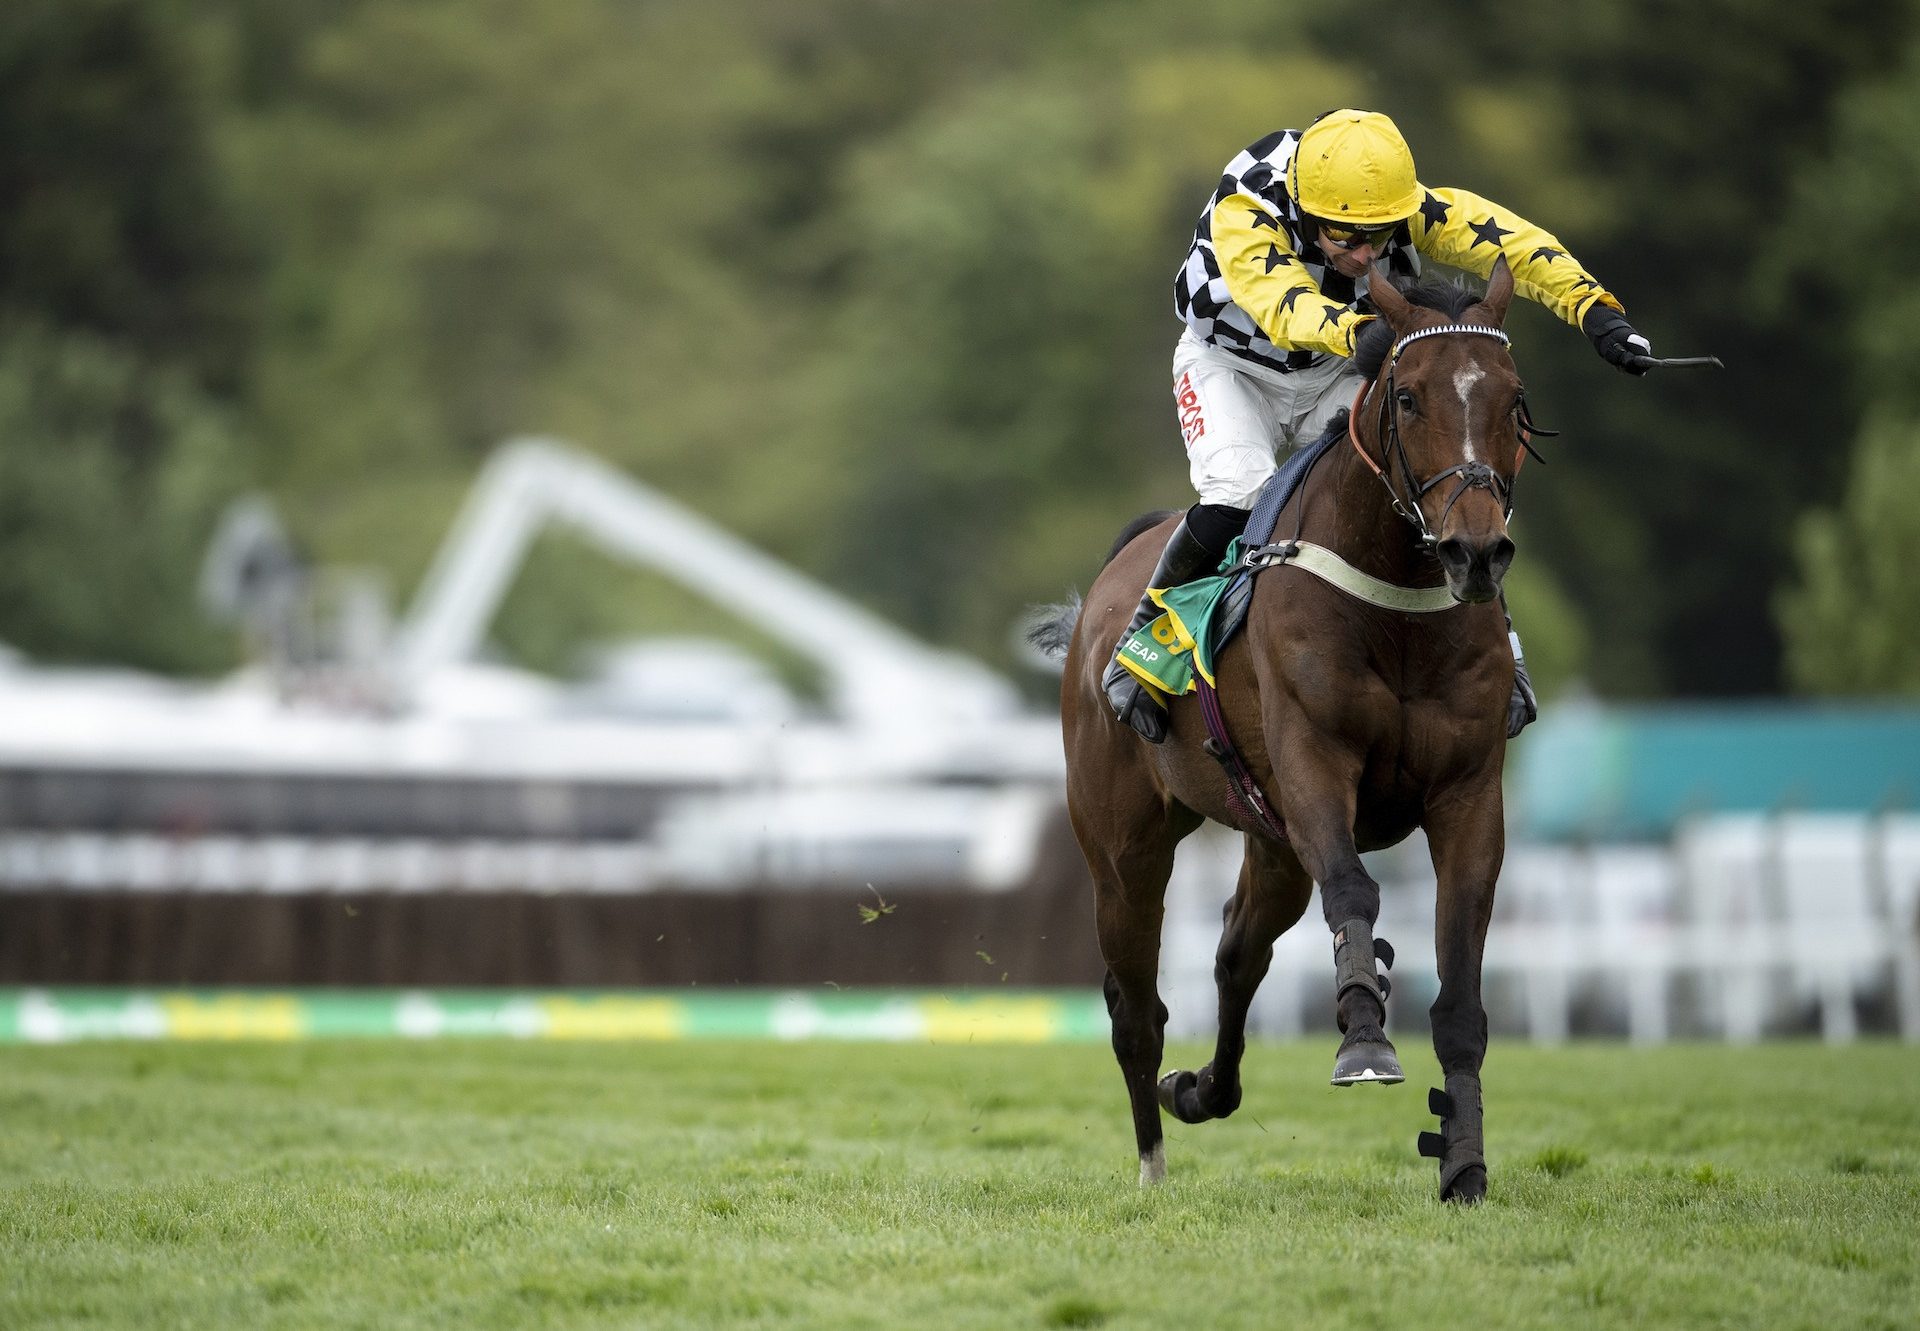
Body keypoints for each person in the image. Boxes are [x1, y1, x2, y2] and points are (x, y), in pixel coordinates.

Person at [1106, 108, 1652, 743]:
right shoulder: (1246, 203)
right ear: (1308, 209)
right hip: (1232, 367)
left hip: (1337, 364)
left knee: (1422, 489)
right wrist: (1355, 330)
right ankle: (1139, 644)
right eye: (1348, 238)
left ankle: (1505, 646)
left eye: (1381, 234)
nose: (1366, 254)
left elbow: (1513, 243)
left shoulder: (1392, 201)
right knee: (1240, 494)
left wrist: (1596, 310)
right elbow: (1278, 298)